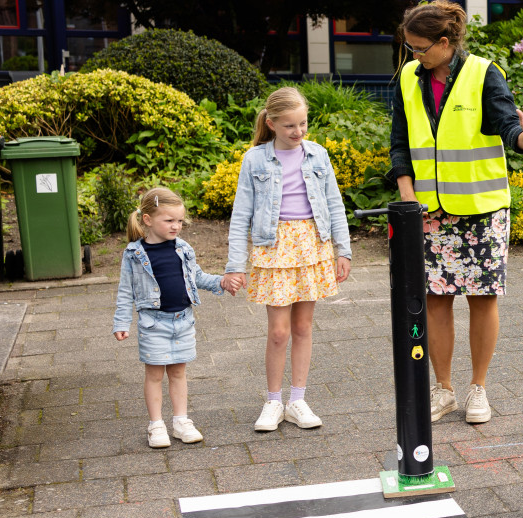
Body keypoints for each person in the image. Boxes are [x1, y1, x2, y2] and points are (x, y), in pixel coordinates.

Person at [388, 2, 523, 425]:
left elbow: (507, 127)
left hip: (481, 209)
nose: (414, 56)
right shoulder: (408, 77)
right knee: (435, 300)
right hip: (428, 211)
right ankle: (443, 391)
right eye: (410, 47)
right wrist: (408, 199)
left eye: (421, 48)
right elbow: (400, 143)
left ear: (445, 43)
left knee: (482, 298)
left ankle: (479, 388)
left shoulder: (483, 73)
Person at [223, 86, 353, 433]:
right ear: (271, 123)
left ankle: (298, 400)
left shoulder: (318, 155)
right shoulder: (255, 159)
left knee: (302, 327)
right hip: (273, 248)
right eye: (290, 126)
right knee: (279, 332)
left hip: (312, 246)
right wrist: (235, 265)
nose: (298, 132)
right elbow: (241, 215)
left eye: (303, 124)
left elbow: (334, 203)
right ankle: (273, 402)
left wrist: (344, 250)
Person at [113, 188, 229, 448]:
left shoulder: (183, 248)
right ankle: (156, 425)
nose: (176, 226)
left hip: (184, 320)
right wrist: (121, 322)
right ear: (147, 219)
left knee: (178, 372)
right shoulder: (134, 254)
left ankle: (181, 421)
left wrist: (221, 281)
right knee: (154, 374)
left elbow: (197, 277)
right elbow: (125, 291)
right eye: (169, 221)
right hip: (153, 323)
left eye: (179, 221)